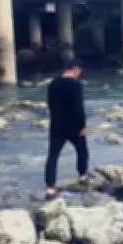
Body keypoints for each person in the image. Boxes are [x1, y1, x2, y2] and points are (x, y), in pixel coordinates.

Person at [44, 59, 88, 199]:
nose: (79, 74)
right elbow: (78, 107)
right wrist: (82, 126)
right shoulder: (76, 85)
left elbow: (50, 104)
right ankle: (82, 177)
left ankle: (50, 188)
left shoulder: (52, 84)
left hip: (57, 125)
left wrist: (55, 119)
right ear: (75, 69)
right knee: (82, 151)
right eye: (79, 71)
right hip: (74, 125)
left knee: (53, 156)